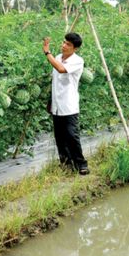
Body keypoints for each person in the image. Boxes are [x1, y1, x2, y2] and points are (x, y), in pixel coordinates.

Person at [43, 33, 89, 175]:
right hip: (57, 104)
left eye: (68, 44)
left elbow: (61, 69)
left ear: (75, 48)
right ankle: (66, 164)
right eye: (63, 42)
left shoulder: (77, 61)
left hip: (69, 105)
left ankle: (81, 164)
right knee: (60, 137)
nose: (64, 46)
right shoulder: (57, 57)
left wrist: (47, 52)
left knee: (71, 135)